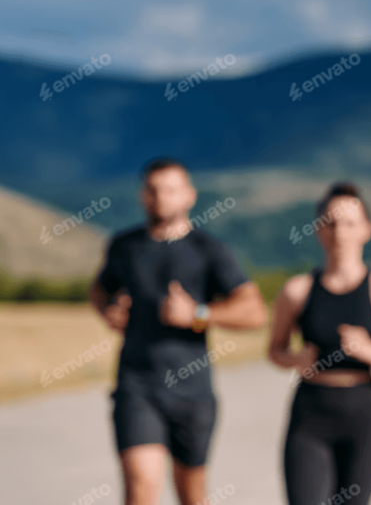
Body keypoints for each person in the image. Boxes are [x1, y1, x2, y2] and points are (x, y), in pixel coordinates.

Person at [89, 158, 267, 505]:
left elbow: (255, 312)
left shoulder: (209, 250)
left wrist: (198, 314)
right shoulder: (124, 246)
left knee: (192, 495)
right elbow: (99, 289)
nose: (161, 198)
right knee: (140, 485)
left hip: (193, 390)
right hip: (136, 384)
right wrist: (107, 310)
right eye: (153, 190)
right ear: (143, 195)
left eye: (170, 190)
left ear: (189, 196)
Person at [268, 181, 371, 505]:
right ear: (318, 230)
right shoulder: (297, 290)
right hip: (310, 414)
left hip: (362, 416)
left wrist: (370, 351)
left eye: (350, 223)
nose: (340, 233)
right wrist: (296, 359)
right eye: (331, 223)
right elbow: (274, 351)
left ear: (366, 230)